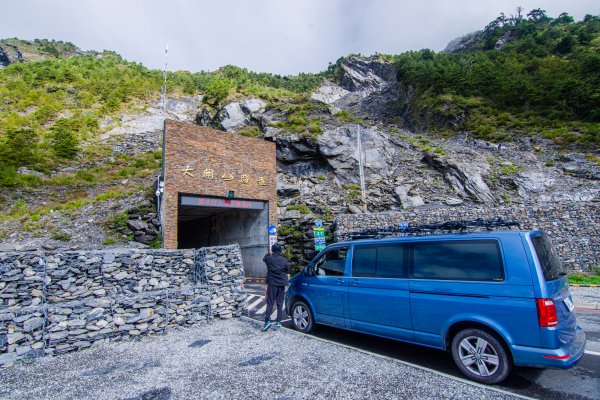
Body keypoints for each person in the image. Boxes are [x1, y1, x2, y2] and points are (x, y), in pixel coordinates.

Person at [261, 242, 291, 332]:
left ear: (273, 250)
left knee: (270, 302)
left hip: (272, 284)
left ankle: (267, 321)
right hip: (281, 284)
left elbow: (264, 258)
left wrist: (269, 253)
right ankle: (278, 321)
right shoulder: (285, 260)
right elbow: (288, 274)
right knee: (280, 303)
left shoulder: (269, 258)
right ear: (280, 250)